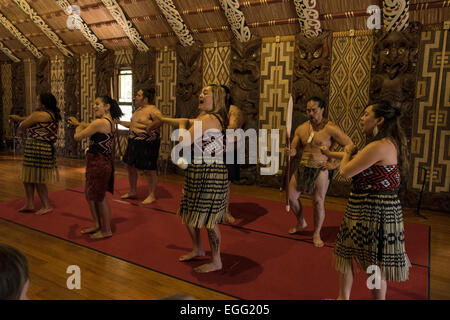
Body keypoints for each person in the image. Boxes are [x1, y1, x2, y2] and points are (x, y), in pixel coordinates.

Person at [322, 101, 411, 300]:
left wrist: (346, 151)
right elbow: (357, 156)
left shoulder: (379, 145)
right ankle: (342, 299)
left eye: (366, 114)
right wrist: (332, 153)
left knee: (373, 264)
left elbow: (345, 171)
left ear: (379, 120)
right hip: (364, 207)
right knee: (344, 254)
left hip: (375, 211)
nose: (361, 118)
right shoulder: (386, 143)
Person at [149, 84, 229, 273]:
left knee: (209, 219)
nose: (200, 95)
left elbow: (184, 141)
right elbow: (184, 120)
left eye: (205, 93)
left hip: (210, 173)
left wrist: (183, 126)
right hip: (198, 170)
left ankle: (216, 260)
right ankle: (198, 248)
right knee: (189, 212)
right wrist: (164, 120)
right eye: (200, 92)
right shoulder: (204, 118)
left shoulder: (209, 119)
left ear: (215, 98)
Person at [286, 96, 353, 247]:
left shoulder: (331, 129)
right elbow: (294, 148)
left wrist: (334, 164)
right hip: (303, 166)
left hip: (321, 167)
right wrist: (291, 152)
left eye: (314, 110)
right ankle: (301, 221)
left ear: (322, 110)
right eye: (308, 110)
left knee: (317, 201)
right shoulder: (302, 128)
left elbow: (350, 146)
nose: (310, 113)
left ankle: (316, 232)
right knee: (291, 196)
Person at [68, 96, 123, 240]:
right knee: (90, 194)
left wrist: (77, 126)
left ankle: (106, 230)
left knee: (100, 197)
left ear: (107, 106)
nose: (94, 106)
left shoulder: (100, 122)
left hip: (99, 163)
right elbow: (90, 125)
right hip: (98, 161)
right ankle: (97, 224)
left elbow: (78, 137)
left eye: (97, 104)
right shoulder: (109, 121)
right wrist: (81, 123)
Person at [10, 93, 61, 215]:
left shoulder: (39, 114)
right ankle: (30, 203)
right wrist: (20, 118)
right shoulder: (50, 114)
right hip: (40, 147)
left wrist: (20, 120)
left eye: (37, 101)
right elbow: (31, 119)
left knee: (37, 177)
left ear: (43, 104)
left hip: (38, 147)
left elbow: (23, 126)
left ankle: (46, 205)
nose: (35, 102)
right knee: (28, 177)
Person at [119, 88, 163, 204]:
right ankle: (133, 191)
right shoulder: (138, 110)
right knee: (129, 165)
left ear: (145, 98)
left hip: (148, 142)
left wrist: (150, 127)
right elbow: (133, 125)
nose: (136, 97)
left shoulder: (153, 110)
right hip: (134, 141)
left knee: (150, 169)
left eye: (138, 95)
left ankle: (152, 194)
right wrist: (118, 122)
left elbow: (160, 120)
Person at [221, 85, 245, 224]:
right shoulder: (212, 111)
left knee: (225, 183)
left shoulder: (233, 110)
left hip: (230, 150)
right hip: (215, 150)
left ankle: (225, 211)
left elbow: (232, 128)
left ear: (228, 95)